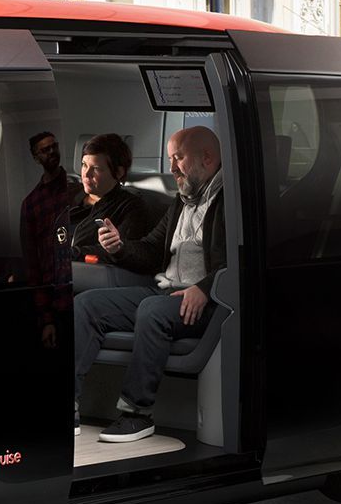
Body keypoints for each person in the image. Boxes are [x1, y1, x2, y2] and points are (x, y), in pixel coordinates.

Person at [74, 126, 227, 443]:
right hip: (164, 291)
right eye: (170, 158)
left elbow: (243, 259)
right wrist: (119, 247)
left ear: (207, 157)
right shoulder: (182, 202)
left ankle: (136, 414)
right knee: (87, 304)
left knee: (152, 309)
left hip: (207, 300)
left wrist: (205, 287)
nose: (172, 168)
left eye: (179, 158)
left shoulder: (231, 201)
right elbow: (151, 250)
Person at [68, 133, 159, 292]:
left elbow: (118, 253)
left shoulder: (130, 206)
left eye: (96, 168)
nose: (86, 174)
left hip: (86, 278)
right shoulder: (68, 195)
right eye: (84, 165)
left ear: (118, 172)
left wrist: (72, 253)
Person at [20, 131, 80, 347]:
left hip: (81, 287)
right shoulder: (31, 203)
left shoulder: (77, 188)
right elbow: (32, 263)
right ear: (36, 158)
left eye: (54, 146)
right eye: (45, 150)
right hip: (55, 299)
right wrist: (46, 318)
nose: (52, 152)